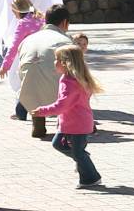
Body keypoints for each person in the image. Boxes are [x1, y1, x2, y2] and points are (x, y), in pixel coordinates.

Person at [32, 44, 103, 189]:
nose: (54, 62)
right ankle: (83, 161)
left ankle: (90, 178)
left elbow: (62, 105)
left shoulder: (70, 83)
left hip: (78, 124)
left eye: (57, 59)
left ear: (66, 63)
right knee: (59, 144)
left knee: (77, 152)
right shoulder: (70, 78)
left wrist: (42, 111)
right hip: (69, 123)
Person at [18, 4, 72, 137]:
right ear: (65, 22)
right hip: (56, 96)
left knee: (34, 77)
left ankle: (38, 123)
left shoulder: (28, 40)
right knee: (76, 81)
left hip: (27, 95)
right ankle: (67, 124)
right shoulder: (65, 41)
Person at [0, 0, 45, 120]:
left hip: (29, 59)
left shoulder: (23, 23)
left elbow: (14, 47)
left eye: (13, 11)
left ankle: (21, 112)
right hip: (45, 56)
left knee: (23, 85)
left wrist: (5, 66)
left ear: (18, 10)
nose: (13, 14)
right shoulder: (42, 18)